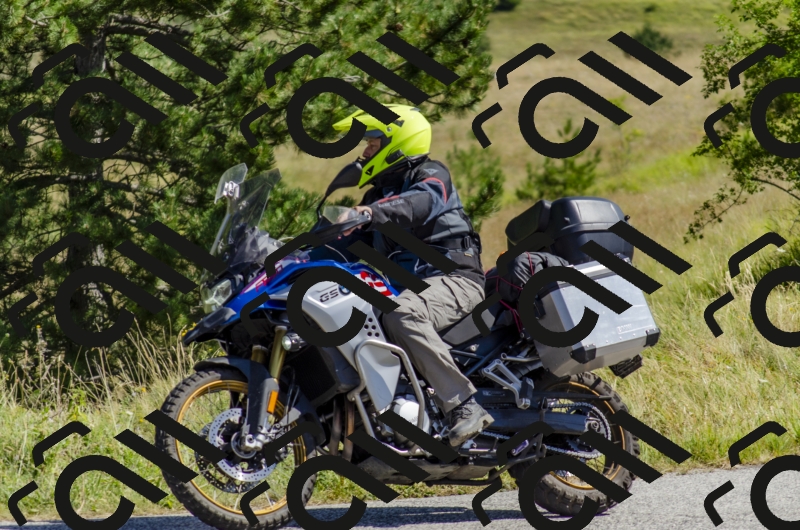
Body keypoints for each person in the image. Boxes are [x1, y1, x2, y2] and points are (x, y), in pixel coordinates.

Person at [310, 104, 494, 447]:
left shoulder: (431, 176)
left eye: (372, 143)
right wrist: (288, 258)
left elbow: (418, 204)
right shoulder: (377, 196)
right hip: (409, 287)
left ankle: (463, 405)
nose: (365, 152)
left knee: (402, 313)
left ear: (397, 143)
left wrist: (370, 212)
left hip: (456, 280)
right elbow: (341, 248)